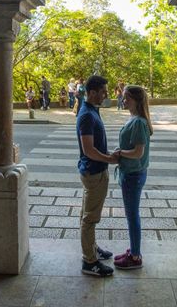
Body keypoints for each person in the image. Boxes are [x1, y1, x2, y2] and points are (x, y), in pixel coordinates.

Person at [76, 75, 120, 277]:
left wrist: (108, 155)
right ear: (92, 92)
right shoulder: (86, 115)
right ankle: (90, 262)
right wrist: (109, 159)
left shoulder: (92, 110)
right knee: (90, 218)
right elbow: (88, 150)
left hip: (94, 170)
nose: (106, 94)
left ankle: (92, 249)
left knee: (88, 215)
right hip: (94, 171)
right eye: (103, 91)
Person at [113, 85, 152, 270]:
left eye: (127, 98)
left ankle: (135, 256)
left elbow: (137, 152)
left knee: (132, 215)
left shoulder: (138, 123)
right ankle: (134, 250)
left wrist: (120, 153)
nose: (124, 100)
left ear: (136, 100)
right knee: (131, 214)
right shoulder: (136, 119)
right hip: (132, 173)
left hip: (133, 174)